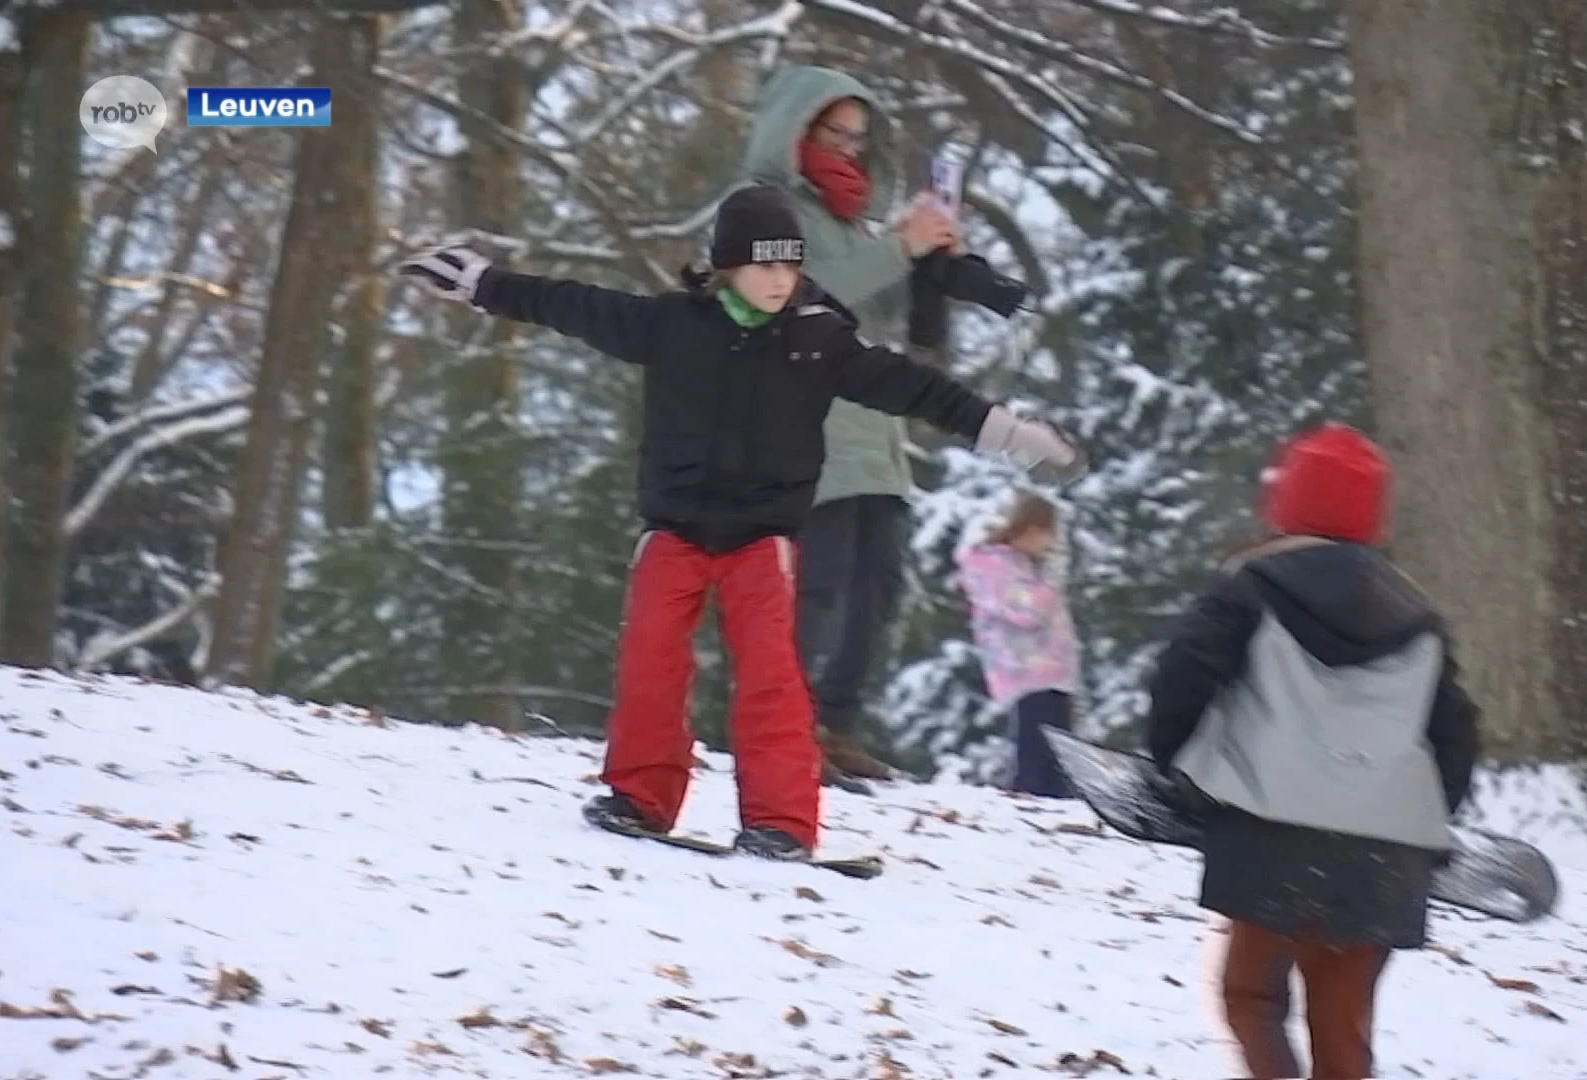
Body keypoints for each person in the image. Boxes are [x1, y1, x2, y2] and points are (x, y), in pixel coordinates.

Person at [396, 185, 1080, 860]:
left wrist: (1010, 434)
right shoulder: (670, 326)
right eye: (765, 264)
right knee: (650, 661)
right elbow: (571, 304)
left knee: (771, 677)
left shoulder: (820, 341)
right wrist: (483, 283)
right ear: (728, 265)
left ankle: (781, 821)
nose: (781, 279)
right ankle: (639, 796)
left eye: (790, 264)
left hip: (761, 537)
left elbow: (918, 390)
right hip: (675, 530)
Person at [1143, 422, 1480, 1079]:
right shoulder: (1419, 615)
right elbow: (1456, 732)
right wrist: (1429, 817)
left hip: (1269, 829)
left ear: (1287, 502)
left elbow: (1185, 670)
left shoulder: (1250, 584)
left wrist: (1174, 766)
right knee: (1343, 1022)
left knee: (1252, 999)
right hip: (1386, 852)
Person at [733, 65, 962, 791]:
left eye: (858, 139)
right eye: (837, 133)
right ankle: (786, 726)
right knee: (819, 584)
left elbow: (899, 322)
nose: (850, 150)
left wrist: (933, 264)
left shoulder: (852, 219)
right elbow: (809, 295)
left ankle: (836, 725)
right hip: (805, 429)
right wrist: (899, 247)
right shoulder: (761, 207)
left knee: (880, 585)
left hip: (872, 431)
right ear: (796, 128)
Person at [955, 491, 1080, 797]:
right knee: (1035, 737)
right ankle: (1029, 791)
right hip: (1024, 665)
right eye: (1043, 533)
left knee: (1059, 739)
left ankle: (1055, 793)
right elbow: (1028, 611)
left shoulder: (1031, 566)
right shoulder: (995, 566)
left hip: (1051, 667)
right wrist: (1050, 583)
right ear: (1026, 528)